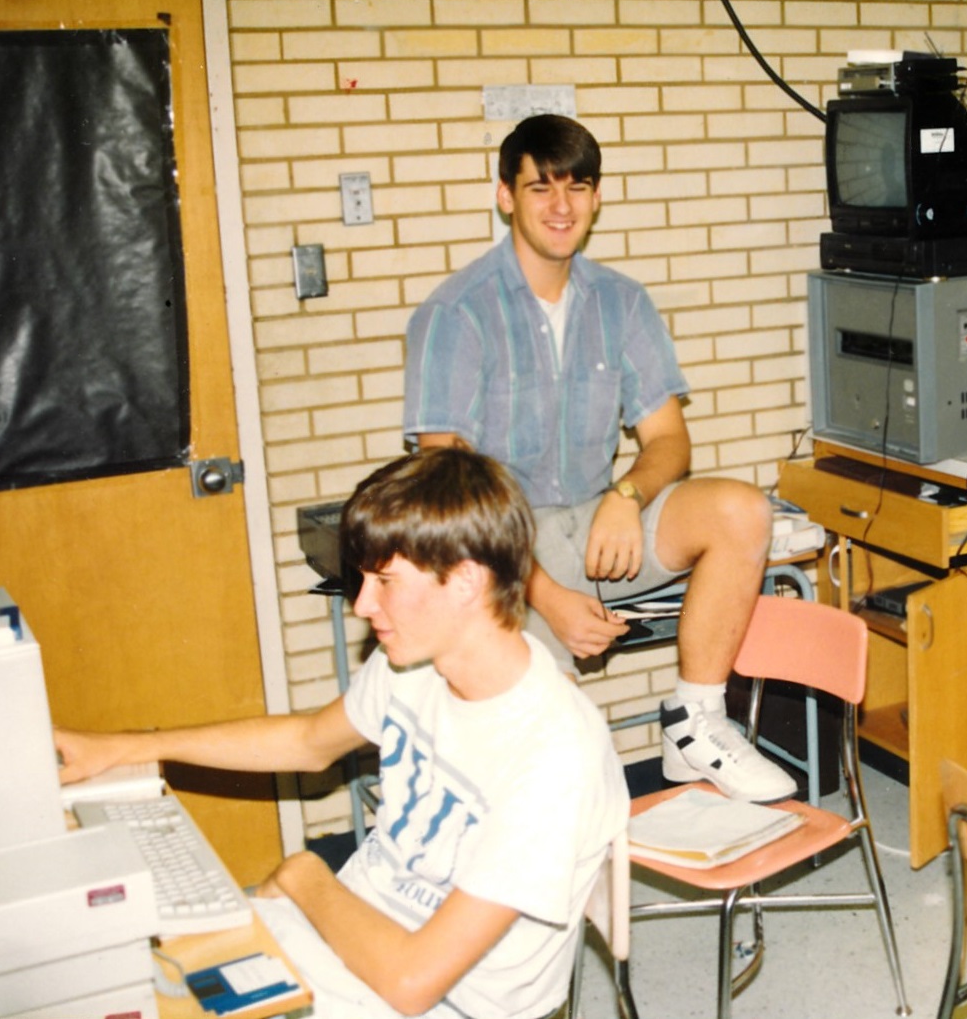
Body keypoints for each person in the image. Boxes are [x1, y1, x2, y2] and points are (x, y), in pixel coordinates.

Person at [55, 447, 629, 1019]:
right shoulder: (410, 665)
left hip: (446, 1002)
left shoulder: (556, 754)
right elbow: (307, 742)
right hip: (349, 940)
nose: (361, 605)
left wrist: (306, 876)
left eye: (384, 580)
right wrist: (128, 748)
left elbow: (412, 982)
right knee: (116, 978)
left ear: (465, 581)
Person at [403, 114, 794, 804]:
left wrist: (626, 496)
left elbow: (670, 441)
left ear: (597, 197)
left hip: (593, 526)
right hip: (496, 548)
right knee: (551, 775)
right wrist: (547, 597)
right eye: (540, 188)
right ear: (504, 196)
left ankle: (695, 723)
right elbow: (448, 487)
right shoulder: (455, 313)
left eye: (577, 187)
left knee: (740, 509)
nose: (561, 207)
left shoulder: (622, 302)